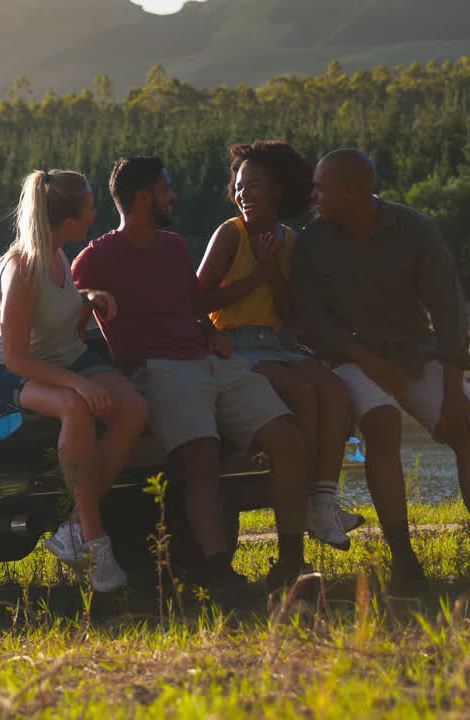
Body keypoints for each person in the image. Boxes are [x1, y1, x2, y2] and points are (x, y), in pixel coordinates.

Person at [72, 156, 313, 605]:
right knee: (202, 456)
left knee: (287, 439)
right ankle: (220, 574)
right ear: (144, 196)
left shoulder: (174, 246)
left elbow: (192, 307)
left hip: (209, 359)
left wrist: (213, 334)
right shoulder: (96, 258)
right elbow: (68, 315)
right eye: (167, 188)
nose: (174, 195)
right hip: (157, 368)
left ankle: (290, 564)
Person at [291, 148, 470, 587]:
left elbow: (449, 309)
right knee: (382, 425)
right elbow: (313, 323)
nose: (313, 196)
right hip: (352, 358)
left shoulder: (414, 229)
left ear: (351, 190)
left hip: (417, 352)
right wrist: (369, 361)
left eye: (321, 187)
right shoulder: (313, 242)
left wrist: (455, 391)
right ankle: (404, 560)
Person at [0, 169, 148, 592]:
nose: (97, 211)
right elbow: (18, 357)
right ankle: (94, 543)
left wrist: (87, 299)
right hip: (15, 373)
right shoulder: (20, 268)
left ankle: (74, 526)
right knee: (75, 409)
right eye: (91, 206)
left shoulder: (58, 253)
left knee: (132, 408)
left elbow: (57, 310)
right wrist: (78, 385)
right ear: (68, 220)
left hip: (66, 360)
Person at [197, 140, 363, 551]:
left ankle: (323, 500)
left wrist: (272, 274)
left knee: (335, 389)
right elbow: (195, 300)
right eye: (239, 186)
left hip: (276, 344)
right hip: (235, 345)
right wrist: (256, 275)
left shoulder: (290, 240)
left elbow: (291, 316)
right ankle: (305, 502)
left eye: (254, 186)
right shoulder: (230, 234)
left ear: (278, 190)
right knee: (303, 392)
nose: (243, 195)